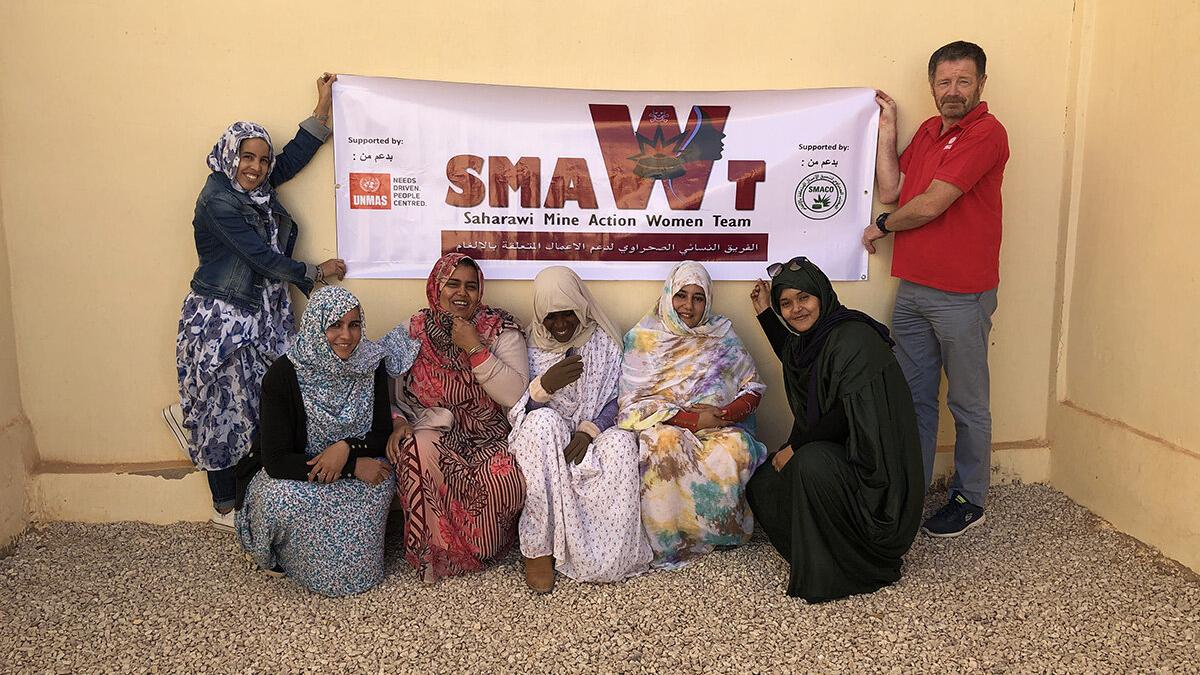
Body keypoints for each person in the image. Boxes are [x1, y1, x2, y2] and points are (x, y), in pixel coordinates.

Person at [176, 73, 346, 531]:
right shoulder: (218, 201)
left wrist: (322, 110)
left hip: (266, 319)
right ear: (230, 156)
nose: (256, 166)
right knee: (222, 409)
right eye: (247, 157)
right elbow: (259, 258)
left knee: (264, 406)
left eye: (261, 159)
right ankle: (226, 505)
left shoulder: (257, 189)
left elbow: (288, 161)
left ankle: (259, 494)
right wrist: (315, 272)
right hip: (224, 322)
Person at [862, 41, 1010, 537]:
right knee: (914, 399)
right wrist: (888, 131)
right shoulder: (927, 132)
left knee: (967, 402)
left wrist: (883, 226)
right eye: (944, 82)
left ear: (980, 84)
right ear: (932, 86)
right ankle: (913, 489)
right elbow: (892, 188)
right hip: (913, 291)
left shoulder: (987, 133)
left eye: (963, 81)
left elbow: (928, 205)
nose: (952, 91)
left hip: (962, 295)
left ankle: (970, 497)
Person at [745, 257, 924, 602]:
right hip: (838, 450)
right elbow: (796, 362)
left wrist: (794, 447)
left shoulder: (854, 338)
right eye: (786, 303)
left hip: (874, 470)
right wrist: (766, 313)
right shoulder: (812, 339)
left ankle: (855, 563)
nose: (796, 309)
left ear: (822, 295)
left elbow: (844, 414)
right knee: (764, 484)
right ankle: (820, 549)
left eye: (804, 298)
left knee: (808, 464)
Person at [235, 286, 419, 597]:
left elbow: (378, 433)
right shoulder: (284, 374)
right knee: (279, 499)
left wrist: (347, 449)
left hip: (357, 466)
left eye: (354, 324)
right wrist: (349, 467)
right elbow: (276, 460)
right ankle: (286, 555)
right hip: (298, 473)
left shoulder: (368, 363)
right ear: (316, 325)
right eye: (335, 325)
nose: (346, 336)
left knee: (380, 481)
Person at [508, 267, 652, 592]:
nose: (560, 326)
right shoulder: (528, 347)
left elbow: (620, 397)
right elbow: (517, 415)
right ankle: (538, 550)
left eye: (568, 315)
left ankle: (611, 556)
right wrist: (541, 389)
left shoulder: (604, 341)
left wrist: (590, 430)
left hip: (593, 435)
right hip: (550, 444)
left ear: (581, 307)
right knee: (539, 425)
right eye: (551, 317)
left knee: (622, 444)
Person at [386, 253, 528, 583]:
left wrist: (475, 348)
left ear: (481, 292)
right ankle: (436, 553)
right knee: (417, 448)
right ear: (437, 286)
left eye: (471, 286)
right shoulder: (414, 331)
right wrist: (396, 419)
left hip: (491, 437)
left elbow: (514, 394)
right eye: (452, 284)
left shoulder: (498, 329)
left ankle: (482, 549)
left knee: (503, 478)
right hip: (436, 432)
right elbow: (382, 386)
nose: (461, 293)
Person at [617, 261, 767, 567]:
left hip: (719, 425)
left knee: (734, 447)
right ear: (668, 295)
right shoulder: (644, 337)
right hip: (664, 424)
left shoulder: (722, 334)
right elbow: (632, 404)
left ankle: (722, 534)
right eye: (681, 295)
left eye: (698, 298)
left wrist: (724, 414)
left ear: (708, 301)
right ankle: (670, 540)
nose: (688, 306)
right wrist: (693, 420)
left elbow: (753, 388)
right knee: (665, 445)